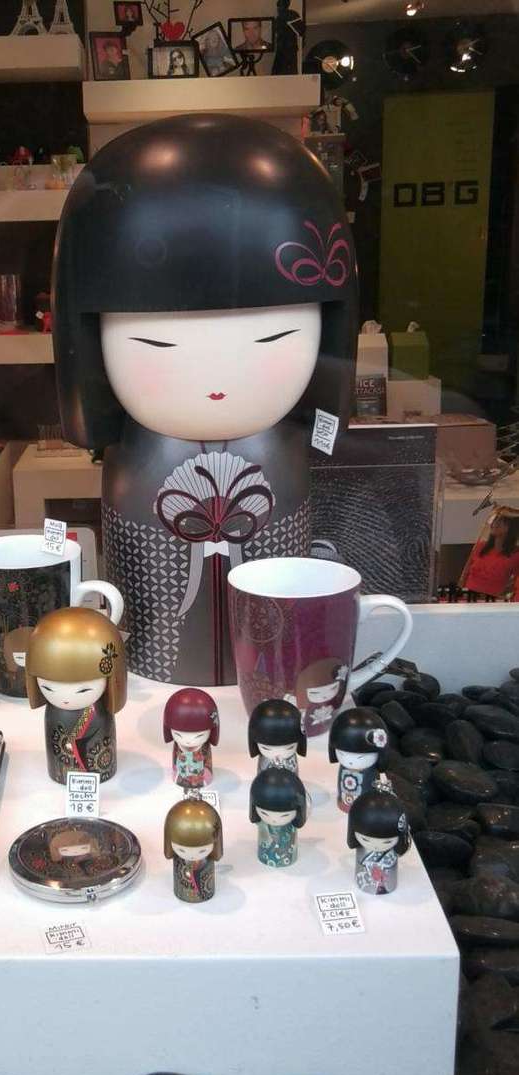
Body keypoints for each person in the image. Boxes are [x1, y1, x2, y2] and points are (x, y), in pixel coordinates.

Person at [52, 116, 358, 687]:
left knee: (269, 639)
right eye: (157, 344)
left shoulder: (286, 443)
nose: (216, 379)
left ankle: (266, 669)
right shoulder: (134, 452)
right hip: (146, 662)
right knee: (162, 623)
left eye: (273, 338)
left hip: (267, 469)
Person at [24, 607, 127, 783]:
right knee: (60, 761)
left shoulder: (100, 712)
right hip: (63, 762)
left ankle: (94, 775)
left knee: (97, 753)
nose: (65, 698)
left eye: (83, 690)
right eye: (48, 688)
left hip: (97, 760)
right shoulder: (53, 712)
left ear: (111, 681)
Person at [462, 512, 519, 598]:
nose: (495, 524)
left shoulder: (515, 554)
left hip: (491, 600)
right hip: (468, 597)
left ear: (511, 528)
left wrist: (499, 593)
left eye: (502, 522)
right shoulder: (480, 546)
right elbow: (465, 573)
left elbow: (516, 582)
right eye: (495, 520)